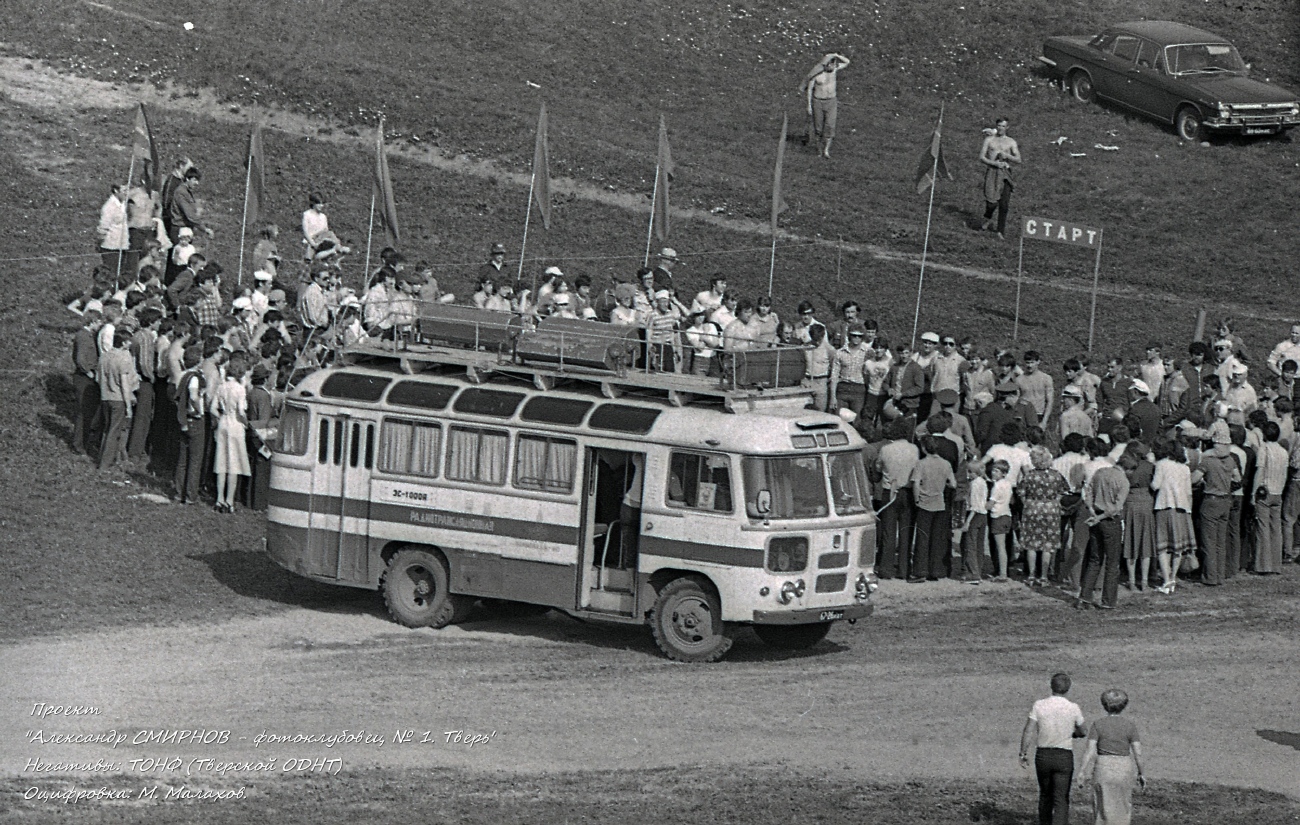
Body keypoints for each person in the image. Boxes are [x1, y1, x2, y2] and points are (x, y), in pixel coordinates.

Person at [1020, 672, 1087, 825]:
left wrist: (1023, 752)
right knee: (1061, 797)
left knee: (1045, 794)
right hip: (1064, 755)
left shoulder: (1039, 705)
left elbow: (1028, 730)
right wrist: (1073, 734)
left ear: (1051, 686)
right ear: (1068, 688)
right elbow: (1083, 731)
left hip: (1043, 754)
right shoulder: (1073, 707)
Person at [1076, 689, 1146, 825]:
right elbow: (1138, 753)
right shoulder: (1130, 726)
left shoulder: (1098, 724)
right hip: (1124, 766)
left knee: (1101, 806)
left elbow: (1089, 750)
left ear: (1104, 705)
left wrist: (1082, 771)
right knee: (1123, 806)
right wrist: (1141, 773)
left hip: (1103, 766)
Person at [1078, 453, 1128, 609]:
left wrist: (1092, 512)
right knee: (1112, 563)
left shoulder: (1100, 472)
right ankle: (1108, 601)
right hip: (1110, 521)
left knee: (1095, 559)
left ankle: (1084, 598)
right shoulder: (1123, 480)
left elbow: (1088, 492)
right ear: (1129, 469)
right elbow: (1116, 508)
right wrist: (1100, 517)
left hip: (1096, 517)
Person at [875, 418, 919, 579]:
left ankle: (885, 569)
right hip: (907, 491)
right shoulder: (914, 449)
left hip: (889, 491)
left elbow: (878, 467)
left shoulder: (886, 449)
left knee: (889, 532)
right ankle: (904, 569)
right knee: (906, 531)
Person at [1150, 439, 1196, 593]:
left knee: (1163, 546)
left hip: (1165, 505)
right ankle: (1173, 578)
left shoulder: (1161, 464)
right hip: (1183, 508)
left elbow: (1155, 485)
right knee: (1178, 547)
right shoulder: (1185, 468)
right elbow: (1189, 492)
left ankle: (1166, 580)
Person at [909, 435, 956, 581]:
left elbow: (916, 483)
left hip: (924, 503)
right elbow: (953, 484)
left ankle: (920, 571)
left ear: (924, 448)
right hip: (939, 503)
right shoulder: (946, 464)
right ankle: (935, 570)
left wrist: (916, 499)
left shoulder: (921, 464)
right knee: (937, 539)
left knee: (922, 538)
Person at [1019, 446, 1068, 586]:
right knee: (1047, 544)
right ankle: (1044, 577)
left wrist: (1028, 503)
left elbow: (1021, 492)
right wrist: (1054, 501)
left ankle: (1031, 575)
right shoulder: (1056, 475)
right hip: (1051, 510)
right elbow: (1063, 491)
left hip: (1032, 508)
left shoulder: (1029, 475)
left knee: (1031, 544)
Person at [211, 358, 250, 513]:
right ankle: (229, 501)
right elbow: (241, 411)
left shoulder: (221, 386)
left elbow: (213, 408)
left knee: (221, 462)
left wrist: (221, 416)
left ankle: (219, 499)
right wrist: (246, 423)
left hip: (223, 422)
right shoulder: (240, 389)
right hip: (235, 425)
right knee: (234, 464)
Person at [1118, 443, 1156, 591]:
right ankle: (1144, 581)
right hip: (1146, 501)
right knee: (1146, 543)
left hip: (1130, 501)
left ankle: (1132, 580)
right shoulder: (1149, 466)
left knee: (1131, 541)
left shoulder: (1125, 465)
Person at [799, 52, 850, 158]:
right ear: (826, 64)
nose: (833, 67)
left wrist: (836, 55)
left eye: (834, 65)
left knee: (830, 126)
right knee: (818, 129)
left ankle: (826, 150)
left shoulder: (834, 70)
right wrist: (809, 105)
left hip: (831, 101)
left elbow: (847, 62)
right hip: (818, 101)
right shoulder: (817, 74)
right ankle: (819, 150)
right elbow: (810, 90)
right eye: (831, 65)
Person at [1253, 420, 1287, 574]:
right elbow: (1284, 473)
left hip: (1265, 491)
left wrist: (1253, 493)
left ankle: (1264, 565)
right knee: (1276, 529)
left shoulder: (1264, 449)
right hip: (1278, 491)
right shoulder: (1283, 452)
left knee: (1263, 528)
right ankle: (1276, 564)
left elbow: (1260, 472)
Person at [979, 118, 1021, 239]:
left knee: (1004, 204)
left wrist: (1007, 155)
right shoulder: (989, 140)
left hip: (1005, 173)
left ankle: (1000, 231)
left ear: (1007, 127)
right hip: (993, 171)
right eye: (999, 126)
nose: (1000, 128)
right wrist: (994, 163)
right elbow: (981, 157)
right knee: (991, 203)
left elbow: (1018, 159)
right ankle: (987, 218)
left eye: (1003, 126)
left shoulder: (1011, 142)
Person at [168, 167, 214, 242]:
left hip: (185, 230)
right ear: (187, 179)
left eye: (198, 180)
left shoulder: (186, 192)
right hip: (180, 230)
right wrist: (204, 229)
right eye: (195, 180)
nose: (197, 183)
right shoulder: (181, 192)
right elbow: (190, 215)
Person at [988, 459, 1014, 580]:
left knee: (1000, 547)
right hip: (1007, 514)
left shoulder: (997, 486)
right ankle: (1004, 571)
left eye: (996, 471)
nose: (993, 473)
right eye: (993, 470)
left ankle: (1002, 573)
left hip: (997, 516)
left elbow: (991, 504)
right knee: (1004, 545)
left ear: (1003, 473)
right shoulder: (1008, 484)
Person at [96, 184, 130, 273]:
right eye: (124, 190)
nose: (127, 193)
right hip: (111, 247)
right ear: (116, 191)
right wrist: (100, 242)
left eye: (128, 190)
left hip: (122, 246)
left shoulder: (123, 204)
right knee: (112, 273)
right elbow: (103, 228)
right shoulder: (109, 206)